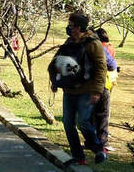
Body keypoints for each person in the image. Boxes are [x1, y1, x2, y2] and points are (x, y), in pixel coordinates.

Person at [50, 12, 107, 166]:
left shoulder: (93, 44)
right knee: (68, 124)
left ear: (79, 27)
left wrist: (96, 91)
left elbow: (101, 69)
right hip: (69, 90)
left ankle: (99, 149)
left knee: (83, 122)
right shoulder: (69, 42)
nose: (68, 28)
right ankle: (78, 156)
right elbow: (56, 62)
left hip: (86, 91)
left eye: (71, 25)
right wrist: (55, 82)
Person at [94, 28, 118, 153]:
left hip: (87, 86)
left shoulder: (82, 45)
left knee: (91, 115)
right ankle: (102, 143)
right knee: (103, 115)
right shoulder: (105, 48)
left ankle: (92, 141)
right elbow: (112, 65)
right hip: (104, 84)